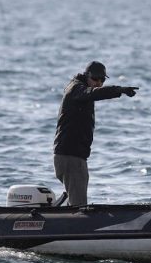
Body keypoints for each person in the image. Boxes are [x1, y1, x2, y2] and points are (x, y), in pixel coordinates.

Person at [53, 61, 138, 206]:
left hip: (72, 156)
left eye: (102, 80)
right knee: (79, 206)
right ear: (87, 76)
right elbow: (93, 93)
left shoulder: (79, 90)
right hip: (71, 158)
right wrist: (120, 90)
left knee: (74, 201)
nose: (99, 83)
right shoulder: (76, 89)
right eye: (96, 79)